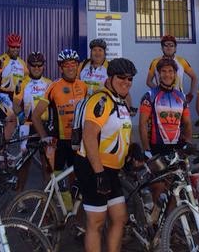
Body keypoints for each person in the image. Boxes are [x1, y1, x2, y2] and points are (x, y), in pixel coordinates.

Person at [75, 58, 136, 252]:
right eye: (121, 77)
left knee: (119, 217)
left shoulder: (120, 102)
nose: (126, 82)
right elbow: (89, 135)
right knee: (97, 222)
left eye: (130, 79)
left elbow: (119, 133)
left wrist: (130, 152)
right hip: (93, 167)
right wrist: (99, 172)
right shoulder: (102, 100)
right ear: (110, 78)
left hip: (111, 170)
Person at [138, 56, 192, 219]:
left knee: (175, 188)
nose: (167, 74)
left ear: (175, 74)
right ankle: (155, 223)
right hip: (157, 149)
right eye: (163, 71)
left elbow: (187, 123)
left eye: (170, 71)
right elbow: (142, 124)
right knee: (158, 188)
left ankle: (169, 224)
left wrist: (187, 144)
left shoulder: (181, 96)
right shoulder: (150, 95)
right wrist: (147, 150)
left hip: (175, 149)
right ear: (158, 74)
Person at [32, 48, 88, 176]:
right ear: (61, 68)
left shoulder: (83, 86)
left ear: (77, 66)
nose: (70, 68)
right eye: (66, 65)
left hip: (77, 140)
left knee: (75, 175)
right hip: (58, 141)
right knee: (54, 177)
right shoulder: (53, 87)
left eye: (73, 64)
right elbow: (35, 116)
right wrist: (44, 137)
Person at [13, 52, 52, 189]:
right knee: (25, 163)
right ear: (28, 66)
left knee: (47, 163)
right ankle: (19, 195)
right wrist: (20, 114)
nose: (36, 68)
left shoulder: (49, 83)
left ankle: (48, 195)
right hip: (28, 126)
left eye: (39, 65)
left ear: (43, 66)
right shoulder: (22, 82)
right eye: (33, 65)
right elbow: (16, 103)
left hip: (44, 126)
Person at [0, 32, 28, 146]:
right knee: (12, 118)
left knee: (24, 118)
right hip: (2, 95)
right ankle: (2, 149)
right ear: (8, 46)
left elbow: (26, 81)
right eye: (12, 46)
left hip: (15, 97)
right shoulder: (2, 60)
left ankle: (21, 148)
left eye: (17, 47)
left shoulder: (22, 63)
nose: (15, 49)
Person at [145, 34, 198, 103]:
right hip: (161, 100)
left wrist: (191, 94)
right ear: (162, 48)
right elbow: (148, 81)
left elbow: (194, 77)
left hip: (179, 99)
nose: (169, 48)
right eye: (166, 45)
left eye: (171, 45)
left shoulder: (182, 61)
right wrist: (158, 91)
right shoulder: (155, 62)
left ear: (175, 48)